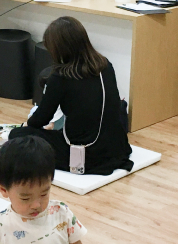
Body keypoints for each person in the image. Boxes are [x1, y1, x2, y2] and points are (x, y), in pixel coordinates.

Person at [8, 16, 133, 176]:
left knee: (18, 135)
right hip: (116, 147)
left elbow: (41, 119)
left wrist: (27, 125)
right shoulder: (105, 65)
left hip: (85, 154)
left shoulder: (60, 77)